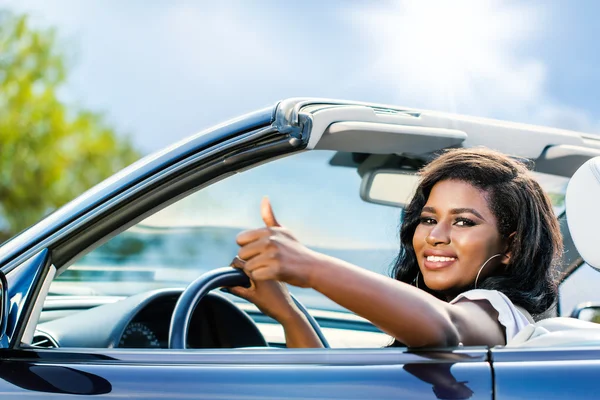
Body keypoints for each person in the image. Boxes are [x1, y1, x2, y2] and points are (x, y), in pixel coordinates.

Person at [228, 148, 563, 348]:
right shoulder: (438, 315)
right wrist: (290, 315)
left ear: (510, 247)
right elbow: (321, 393)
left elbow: (447, 328)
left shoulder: (496, 312)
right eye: (429, 219)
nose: (436, 236)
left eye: (463, 222)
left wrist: (310, 267)